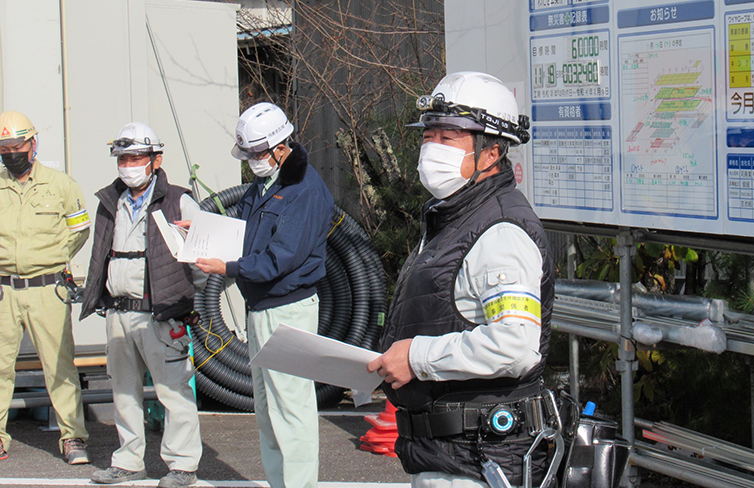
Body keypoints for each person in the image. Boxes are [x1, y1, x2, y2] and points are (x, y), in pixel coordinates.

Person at [367, 72, 556, 488]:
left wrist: (417, 357)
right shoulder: (454, 217)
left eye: (448, 137)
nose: (432, 148)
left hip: (478, 462)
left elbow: (515, 345)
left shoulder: (500, 229)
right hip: (450, 457)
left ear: (490, 153)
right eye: (427, 136)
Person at [195, 102, 334, 488]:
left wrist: (228, 269)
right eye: (249, 154)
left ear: (280, 146)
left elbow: (279, 259)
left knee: (291, 410)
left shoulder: (304, 191)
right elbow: (242, 231)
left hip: (288, 310)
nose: (253, 161)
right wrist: (201, 227)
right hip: (262, 309)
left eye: (257, 153)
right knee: (269, 408)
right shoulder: (265, 185)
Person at [81, 123, 204, 488]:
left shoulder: (179, 200)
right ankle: (128, 461)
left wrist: (183, 301)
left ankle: (182, 464)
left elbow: (202, 259)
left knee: (173, 389)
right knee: (123, 390)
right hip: (118, 312)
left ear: (155, 160)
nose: (128, 164)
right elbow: (100, 254)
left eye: (136, 157)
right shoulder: (110, 202)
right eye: (123, 158)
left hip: (161, 314)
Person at [0, 110, 91, 465]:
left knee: (59, 365)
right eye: (4, 147)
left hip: (47, 288)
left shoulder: (60, 185)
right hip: (4, 290)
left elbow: (80, 229)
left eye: (17, 145)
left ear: (33, 144)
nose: (11, 153)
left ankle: (73, 438)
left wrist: (54, 258)